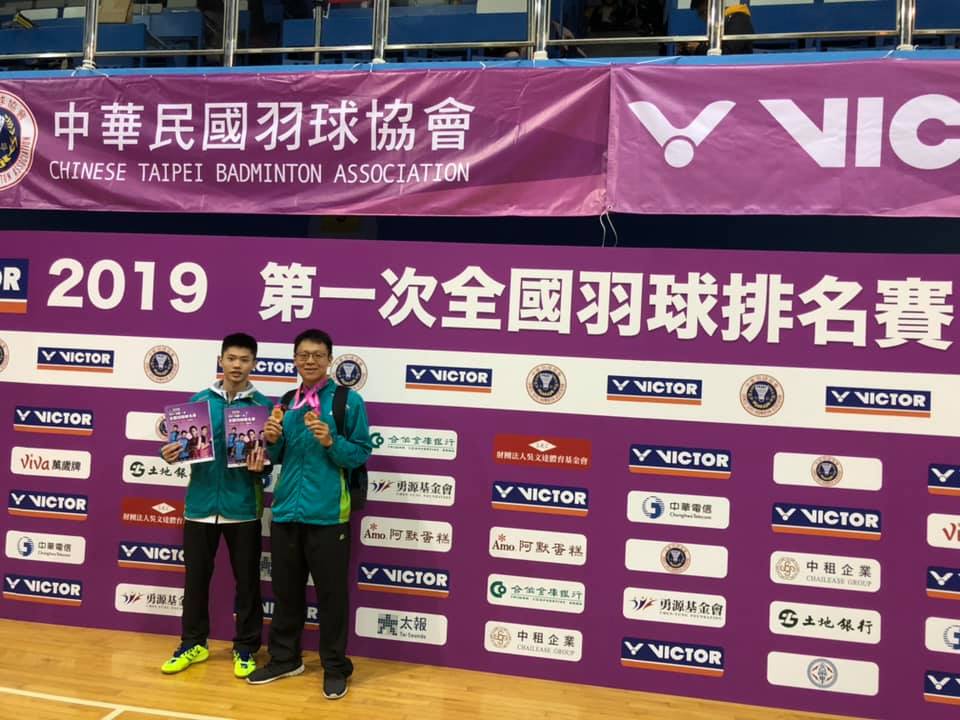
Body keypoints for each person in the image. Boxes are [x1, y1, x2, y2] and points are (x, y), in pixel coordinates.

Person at [246, 328, 372, 701]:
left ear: (330, 360)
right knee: (286, 594)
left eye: (318, 354)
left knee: (331, 597)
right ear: (295, 360)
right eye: (303, 354)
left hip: (329, 516)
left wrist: (331, 441)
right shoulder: (287, 402)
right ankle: (285, 658)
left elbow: (361, 453)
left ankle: (335, 666)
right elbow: (276, 457)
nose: (310, 360)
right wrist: (271, 440)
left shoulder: (347, 401)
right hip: (286, 513)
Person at [158, 333, 273, 680]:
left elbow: (271, 459)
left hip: (243, 508)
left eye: (244, 360)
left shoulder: (263, 407)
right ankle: (193, 643)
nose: (237, 365)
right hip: (200, 507)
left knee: (248, 583)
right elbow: (180, 448)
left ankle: (246, 647)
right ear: (221, 360)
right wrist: (169, 454)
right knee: (195, 581)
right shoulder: (198, 402)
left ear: (254, 364)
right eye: (231, 358)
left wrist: (263, 465)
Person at [687, 0, 754, 55]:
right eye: (699, 14)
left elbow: (730, 52)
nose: (703, 18)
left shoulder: (739, 18)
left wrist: (698, 48)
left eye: (703, 12)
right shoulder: (716, 26)